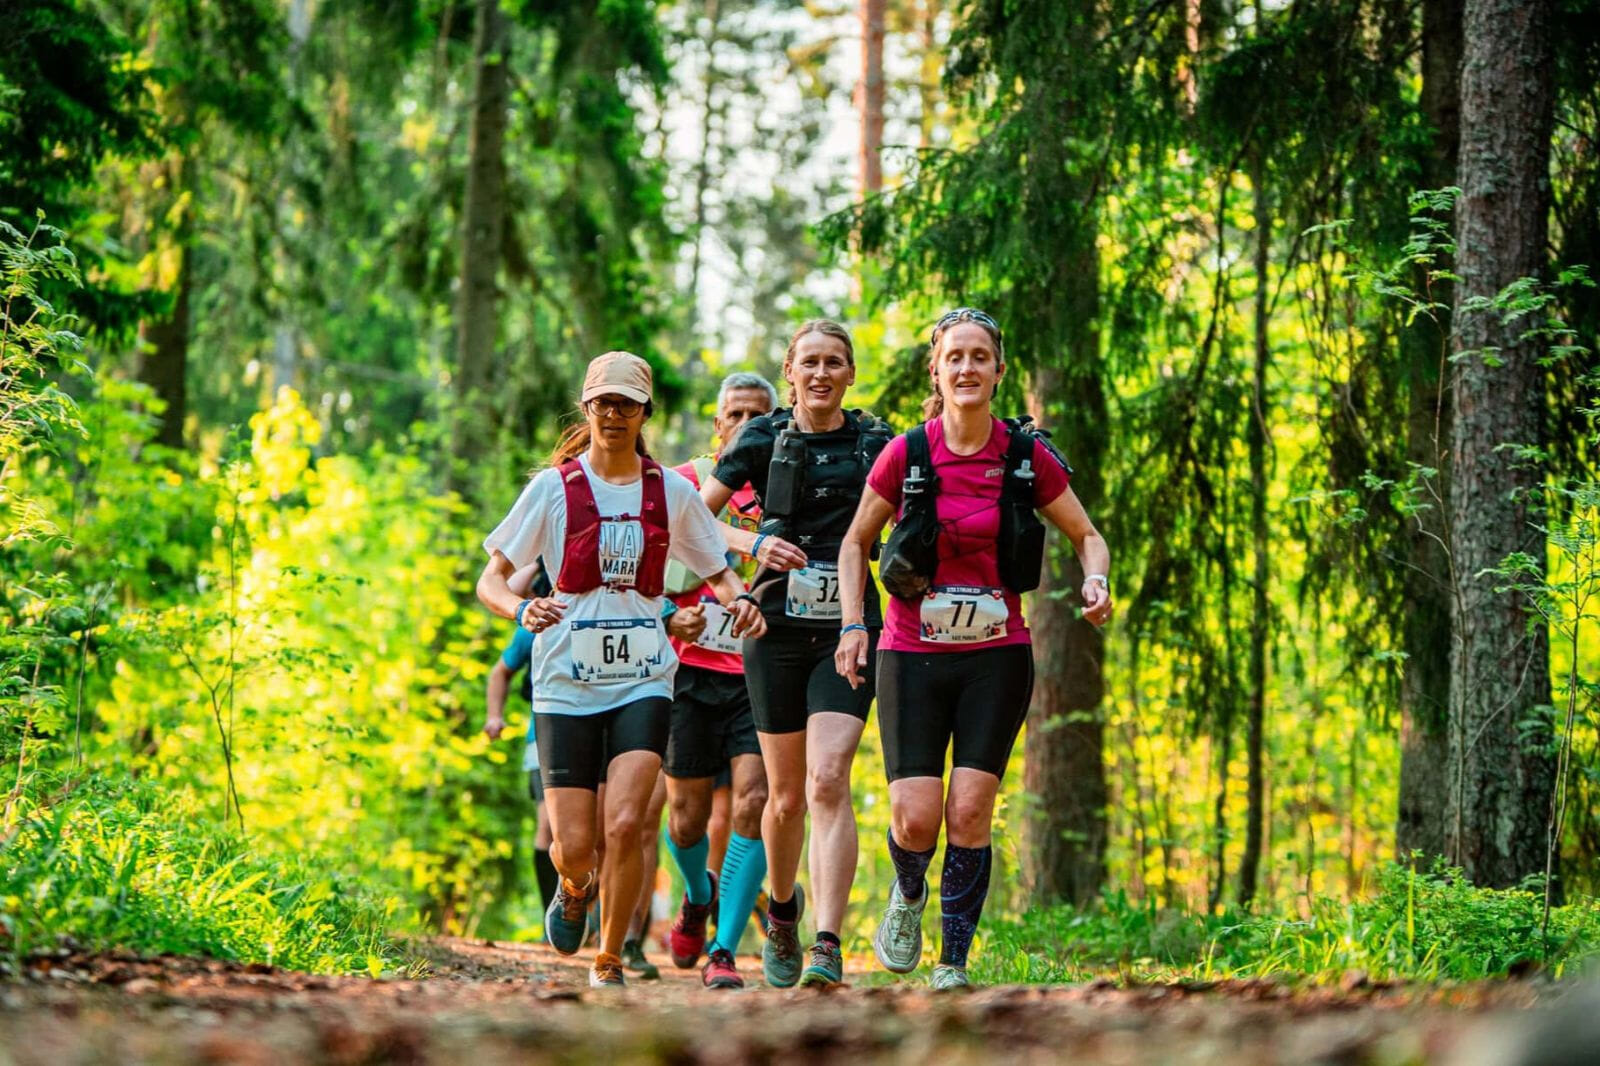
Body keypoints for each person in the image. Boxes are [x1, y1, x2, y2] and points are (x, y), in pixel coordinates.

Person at [835, 308, 1113, 991]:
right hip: (910, 652)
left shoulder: (1022, 456)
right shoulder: (908, 453)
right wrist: (851, 625)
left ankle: (952, 962)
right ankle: (908, 891)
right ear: (936, 370)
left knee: (968, 810)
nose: (966, 368)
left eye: (979, 357)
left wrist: (1097, 580)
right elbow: (855, 542)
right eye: (954, 357)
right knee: (916, 818)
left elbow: (1087, 535)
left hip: (997, 654)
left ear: (998, 371)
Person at [476, 350, 767, 989]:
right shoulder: (553, 489)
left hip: (644, 677)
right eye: (604, 403)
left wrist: (739, 599)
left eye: (627, 404)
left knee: (629, 822)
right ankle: (575, 885)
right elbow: (490, 580)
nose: (614, 414)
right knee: (574, 845)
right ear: (587, 408)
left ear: (644, 413)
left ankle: (608, 956)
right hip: (565, 684)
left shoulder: (671, 491)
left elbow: (716, 567)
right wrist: (520, 609)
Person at [699, 323, 893, 988]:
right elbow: (693, 522)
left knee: (828, 779)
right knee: (784, 799)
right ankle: (783, 913)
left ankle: (827, 944)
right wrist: (749, 552)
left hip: (850, 627)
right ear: (790, 371)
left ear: (850, 373)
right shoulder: (761, 438)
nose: (821, 373)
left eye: (834, 362)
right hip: (774, 630)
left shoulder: (876, 443)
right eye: (809, 362)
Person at [657, 372, 777, 989]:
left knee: (754, 803)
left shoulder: (789, 485)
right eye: (736, 415)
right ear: (717, 423)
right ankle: (697, 893)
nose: (747, 426)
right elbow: (649, 562)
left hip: (759, 673)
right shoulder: (682, 482)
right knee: (686, 819)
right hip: (688, 671)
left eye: (760, 416)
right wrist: (670, 613)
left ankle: (724, 950)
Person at [482, 561, 558, 916]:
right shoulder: (534, 628)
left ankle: (593, 912)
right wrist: (493, 716)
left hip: (603, 732)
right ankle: (551, 915)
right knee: (548, 825)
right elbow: (500, 672)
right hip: (541, 738)